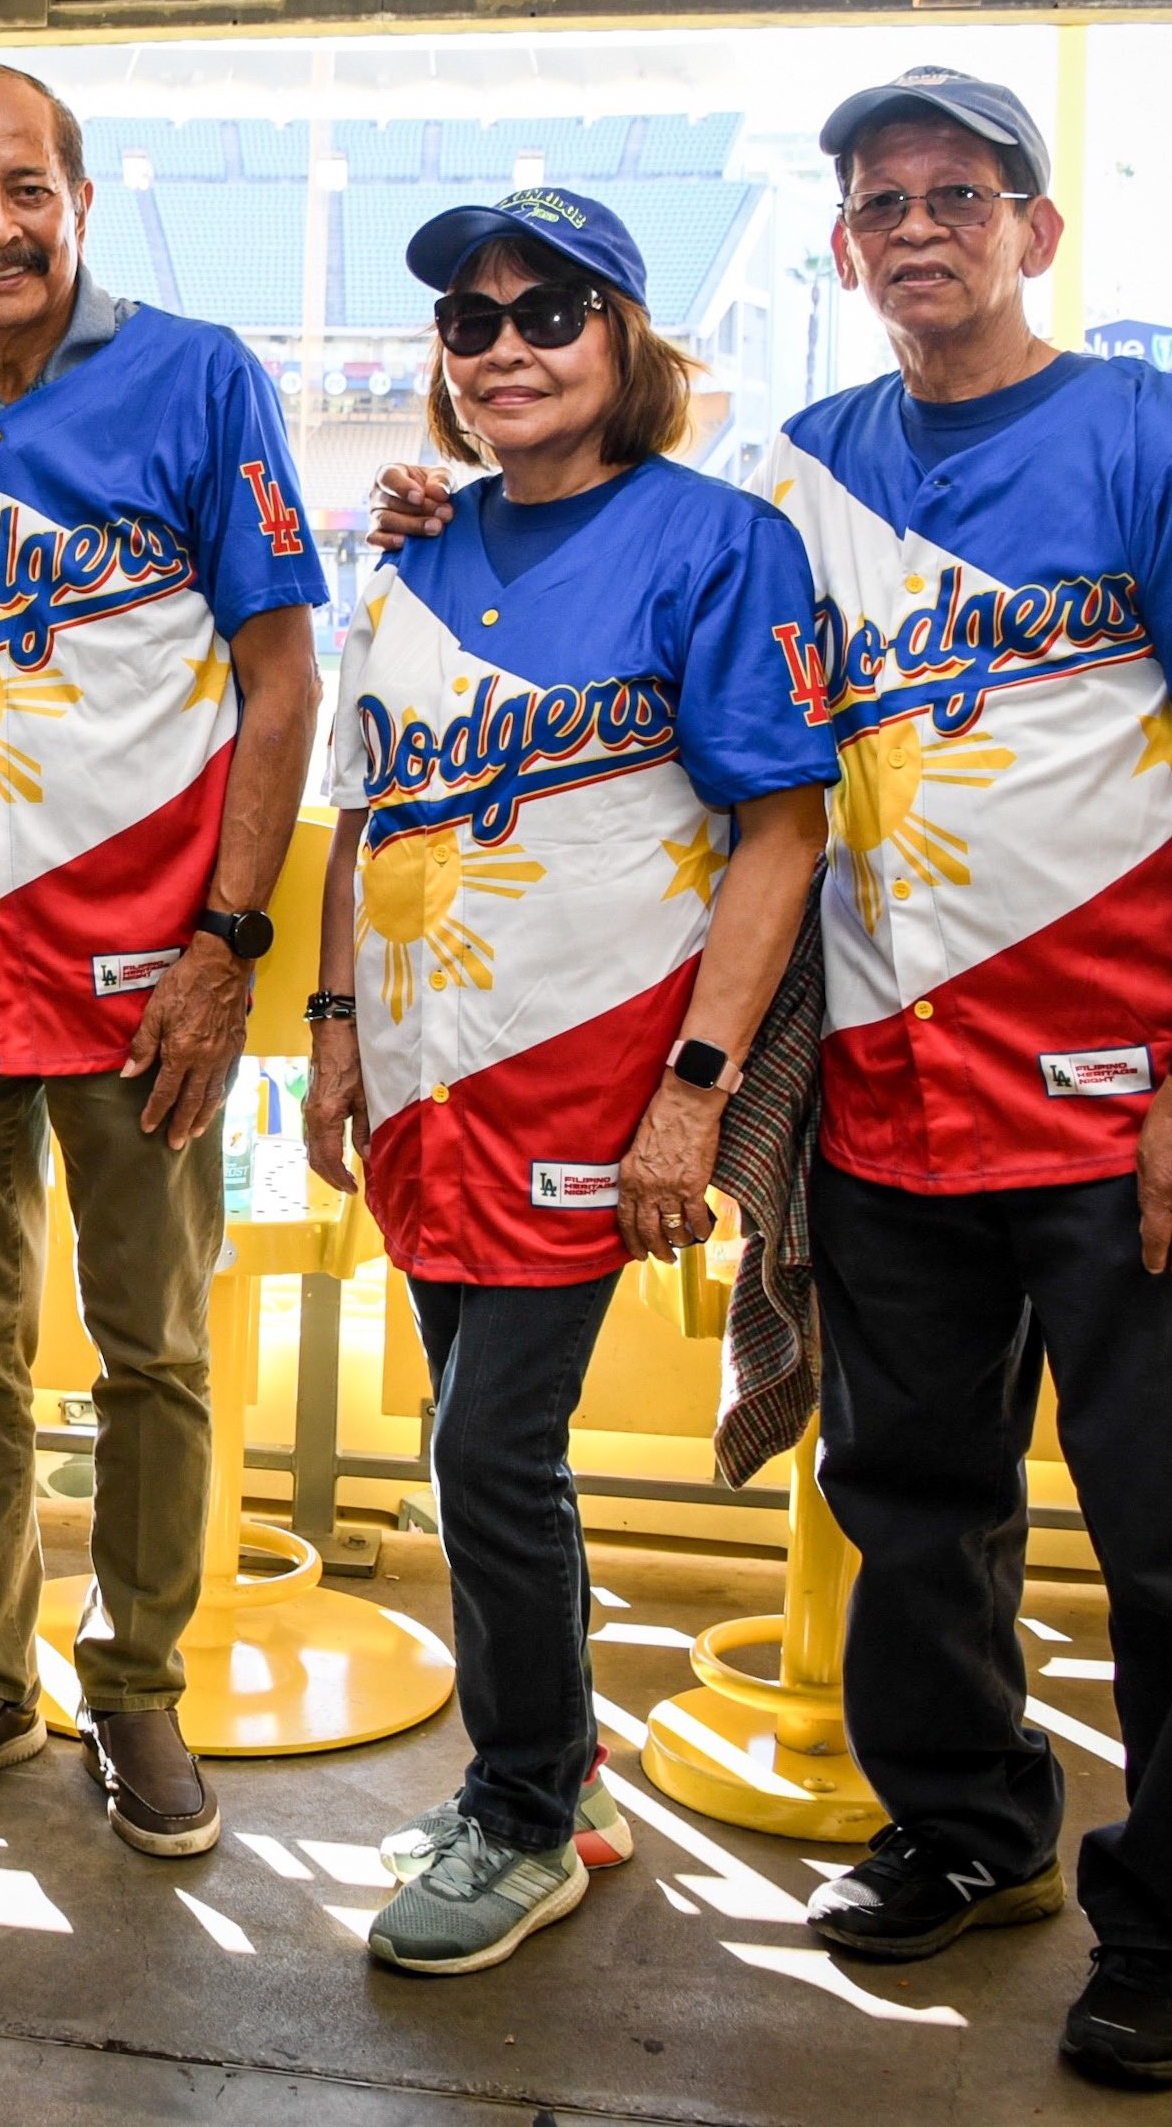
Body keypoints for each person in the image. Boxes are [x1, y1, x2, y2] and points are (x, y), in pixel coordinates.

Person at [374, 66, 1172, 2086]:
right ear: (840, 245)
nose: (918, 224)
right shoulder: (803, 473)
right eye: (880, 199)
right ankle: (969, 1831)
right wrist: (429, 514)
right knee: (912, 1504)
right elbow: (615, 560)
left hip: (1121, 1104)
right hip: (895, 1111)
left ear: (1033, 228)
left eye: (959, 191)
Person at [297, 189, 830, 1977]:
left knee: (487, 1449)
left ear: (624, 343)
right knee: (489, 1464)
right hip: (431, 1083)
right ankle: (570, 1772)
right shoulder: (420, 552)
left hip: (591, 1087)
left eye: (549, 312)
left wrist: (695, 1088)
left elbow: (782, 830)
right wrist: (334, 1022)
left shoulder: (715, 539)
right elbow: (365, 812)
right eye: (472, 319)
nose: (506, 344)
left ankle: (521, 1812)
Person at [0, 63, 328, 1859]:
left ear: (78, 198)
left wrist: (226, 945)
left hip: (147, 981)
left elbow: (284, 677)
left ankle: (137, 1691)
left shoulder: (200, 376)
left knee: (154, 1348)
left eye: (23, 186)